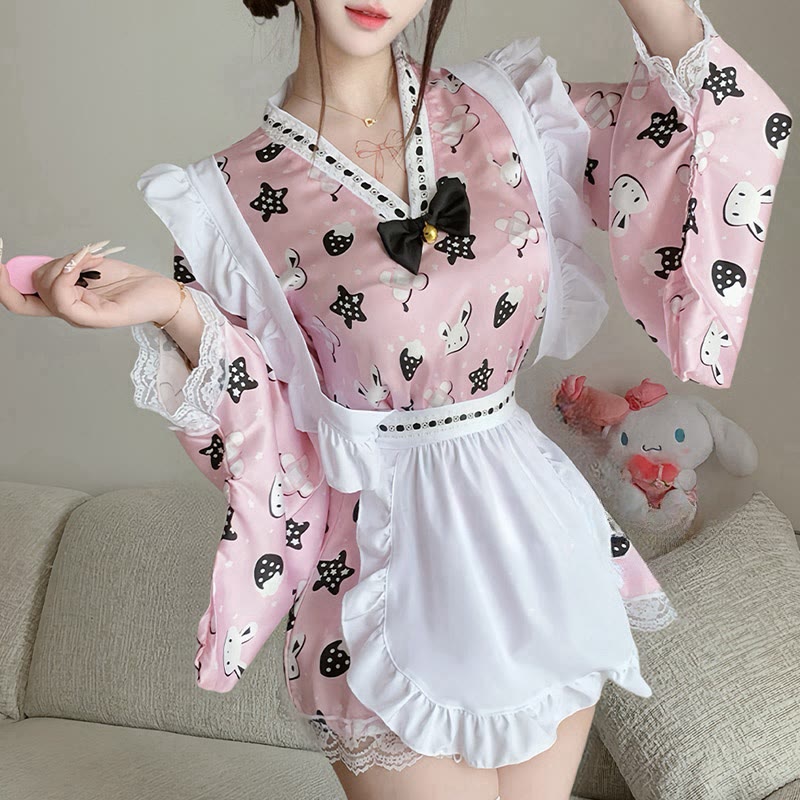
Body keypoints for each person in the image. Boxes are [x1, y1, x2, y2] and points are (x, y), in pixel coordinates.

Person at [1, 0, 791, 797]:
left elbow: (699, 136)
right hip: (381, 569)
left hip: (535, 538)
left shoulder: (511, 112)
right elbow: (275, 447)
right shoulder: (226, 203)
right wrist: (174, 310)